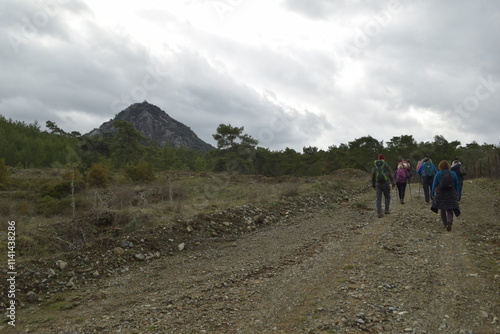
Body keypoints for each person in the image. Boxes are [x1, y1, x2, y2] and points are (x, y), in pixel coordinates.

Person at [431, 160, 460, 231]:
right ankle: (449, 220)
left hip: (441, 193)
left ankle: (444, 223)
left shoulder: (438, 173)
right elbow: (456, 184)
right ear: (448, 166)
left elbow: (434, 184)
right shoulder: (453, 173)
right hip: (451, 193)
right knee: (450, 208)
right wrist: (457, 194)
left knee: (442, 209)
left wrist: (432, 194)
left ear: (440, 166)